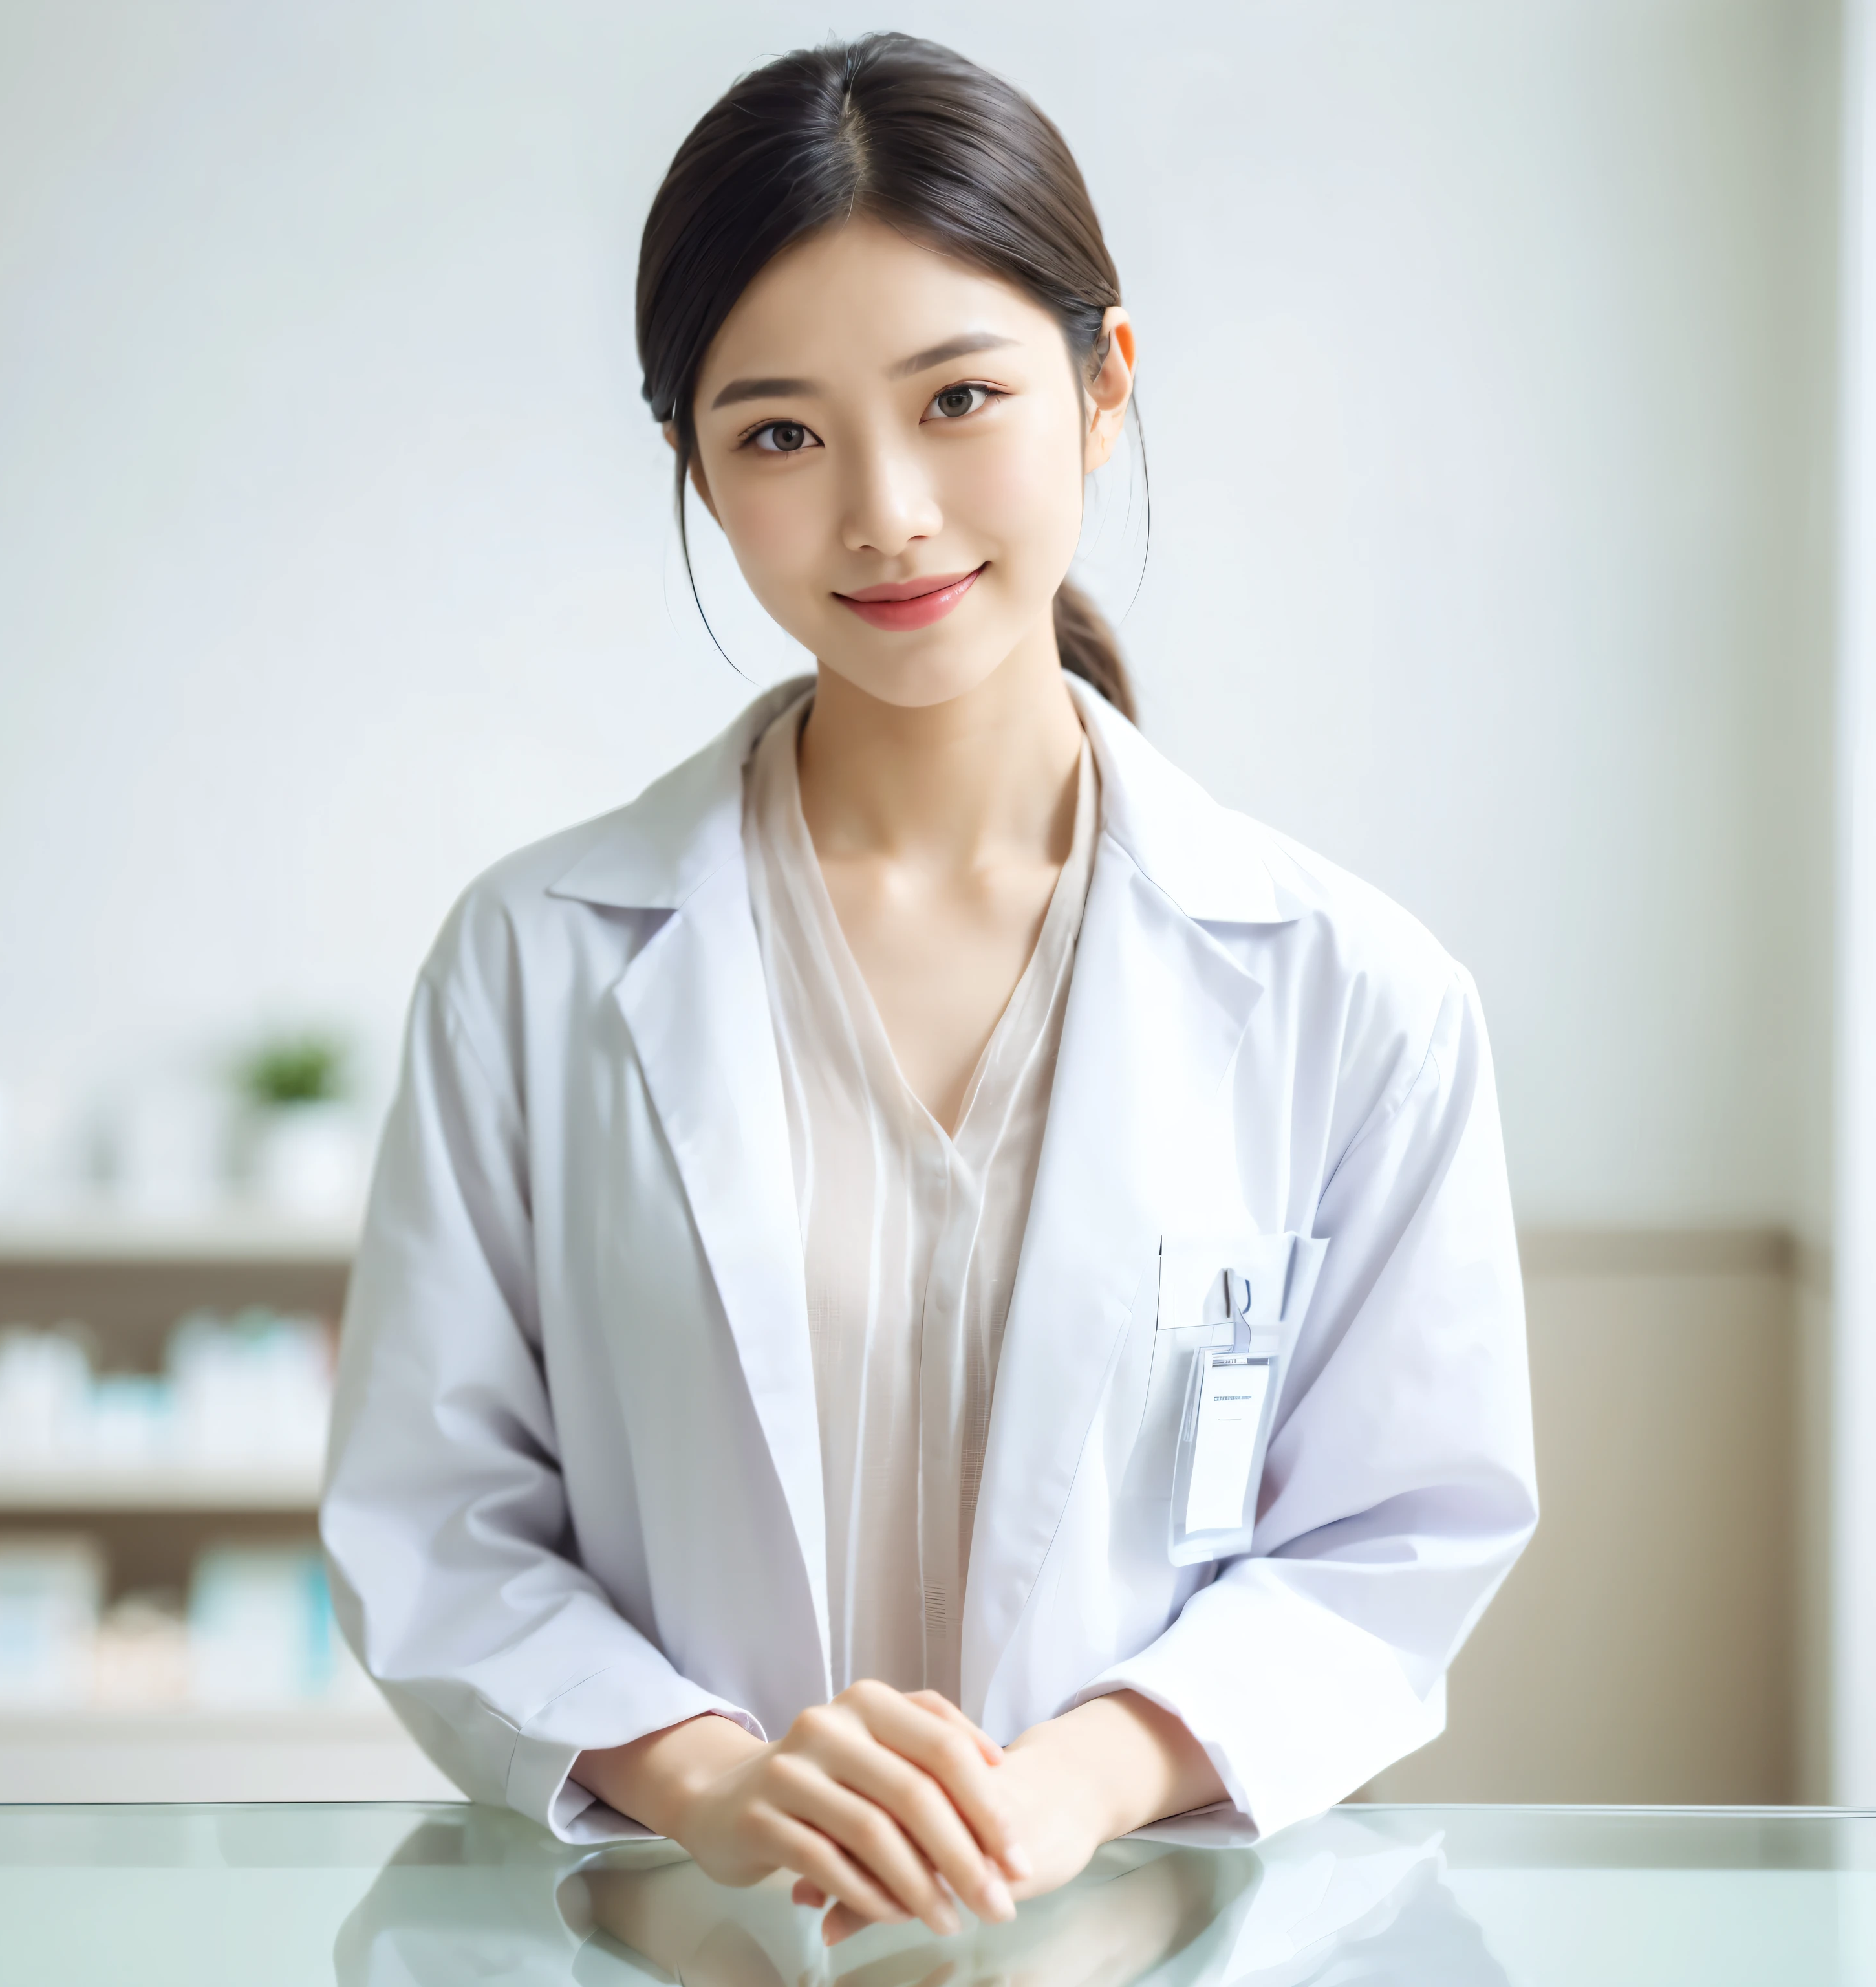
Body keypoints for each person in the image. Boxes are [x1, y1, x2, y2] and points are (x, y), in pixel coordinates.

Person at [322, 30, 1537, 1951]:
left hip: (1133, 1937)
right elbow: (438, 1523)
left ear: (1104, 384)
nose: (884, 510)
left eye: (959, 397)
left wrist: (1078, 1781)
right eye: (781, 433)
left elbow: (1398, 1545)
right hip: (704, 1936)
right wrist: (712, 1773)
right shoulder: (535, 961)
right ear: (696, 470)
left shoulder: (1353, 994)